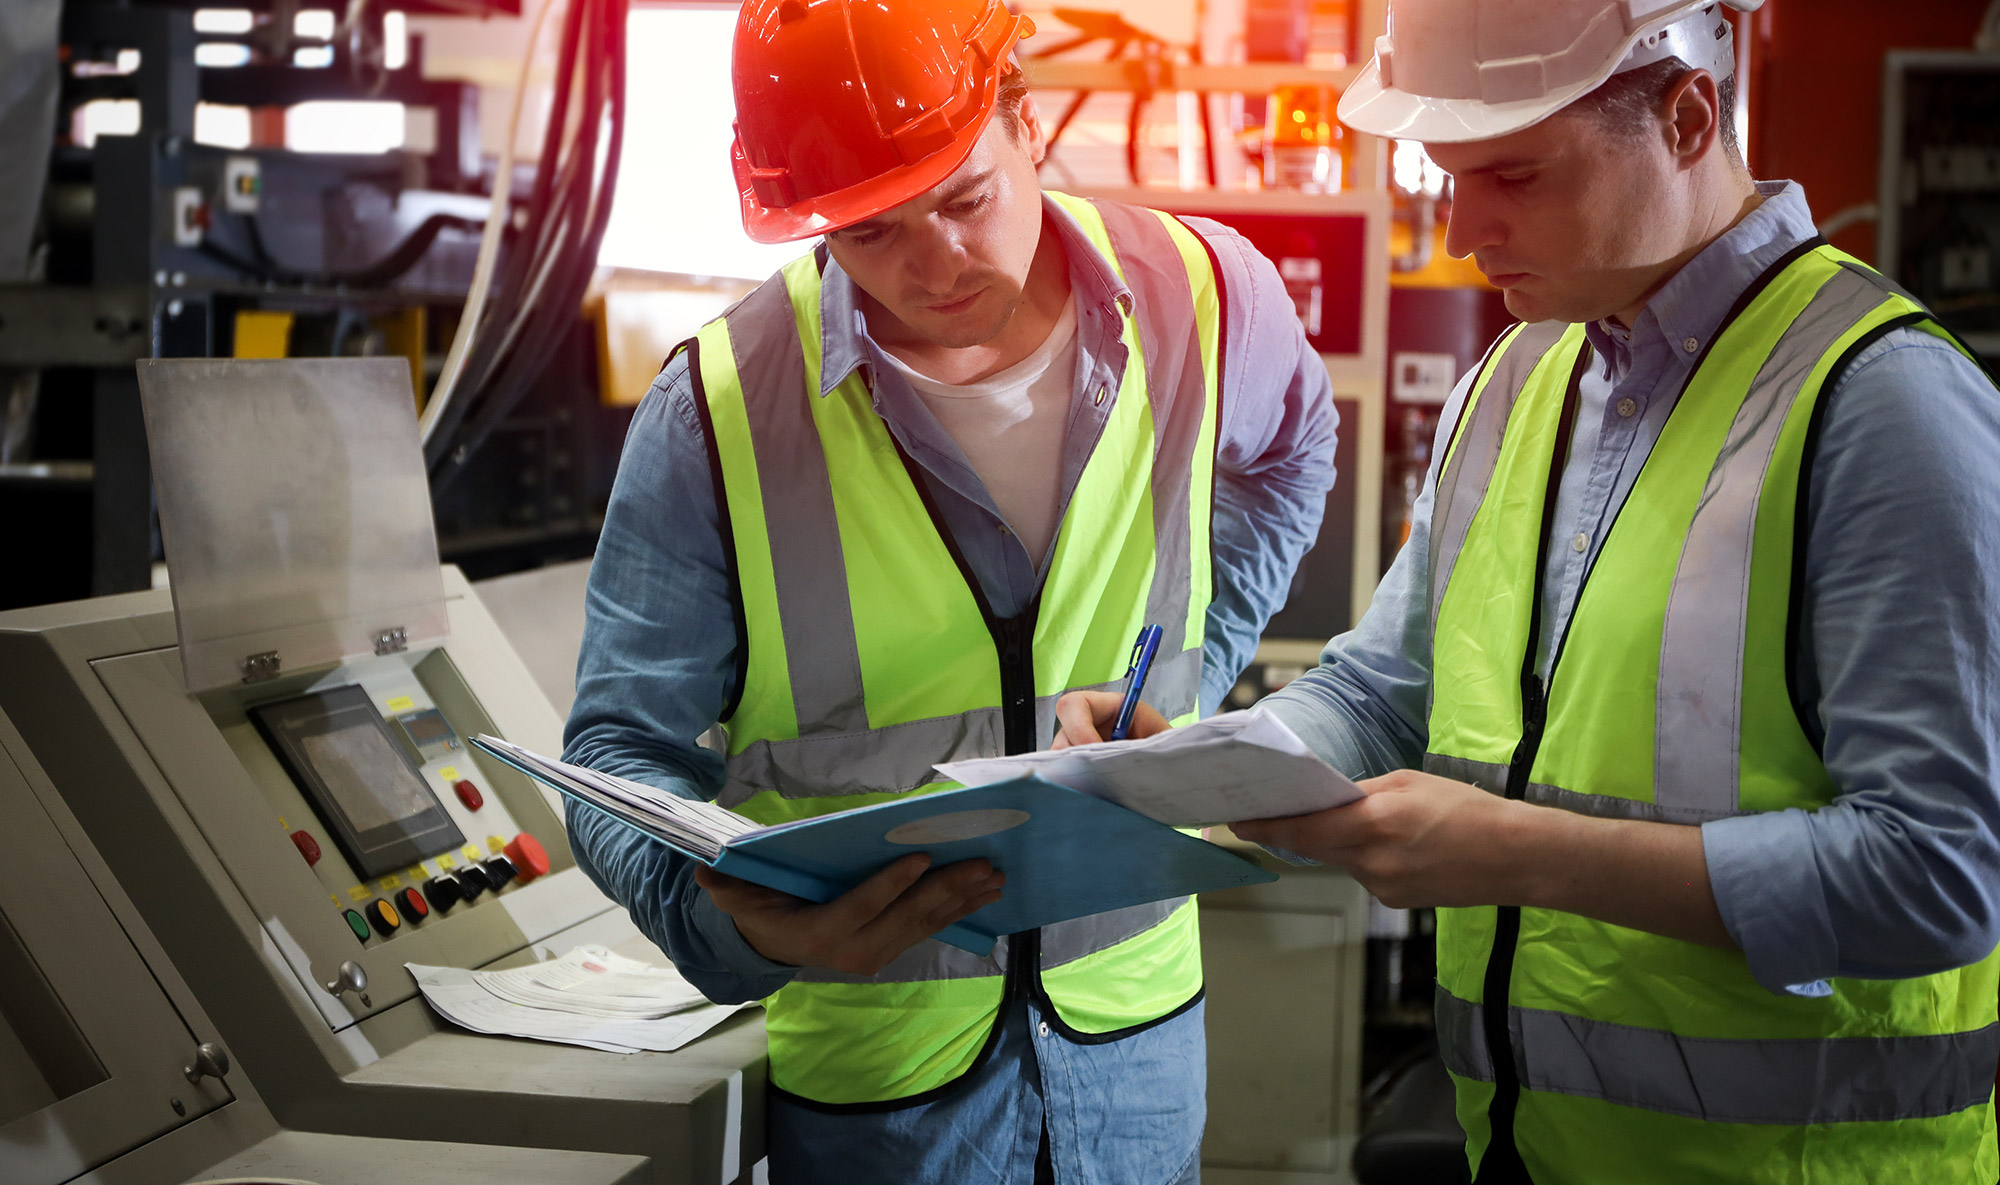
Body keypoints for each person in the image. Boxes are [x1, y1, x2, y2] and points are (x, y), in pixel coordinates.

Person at [1056, 2, 2000, 1181]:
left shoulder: (1882, 405)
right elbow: (1385, 692)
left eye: (1509, 174)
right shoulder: (1515, 376)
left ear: (1686, 115)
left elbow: (1937, 876)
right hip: (1521, 1150)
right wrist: (1203, 762)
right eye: (1443, 177)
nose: (1461, 233)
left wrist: (1516, 854)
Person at [561, 0, 1341, 1180]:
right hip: (878, 1087)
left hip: (1132, 1039)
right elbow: (617, 752)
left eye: (965, 199)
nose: (937, 265)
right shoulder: (718, 412)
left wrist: (1196, 657)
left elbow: (1292, 448)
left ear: (1021, 121)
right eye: (871, 234)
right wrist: (720, 920)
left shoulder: (1201, 296)